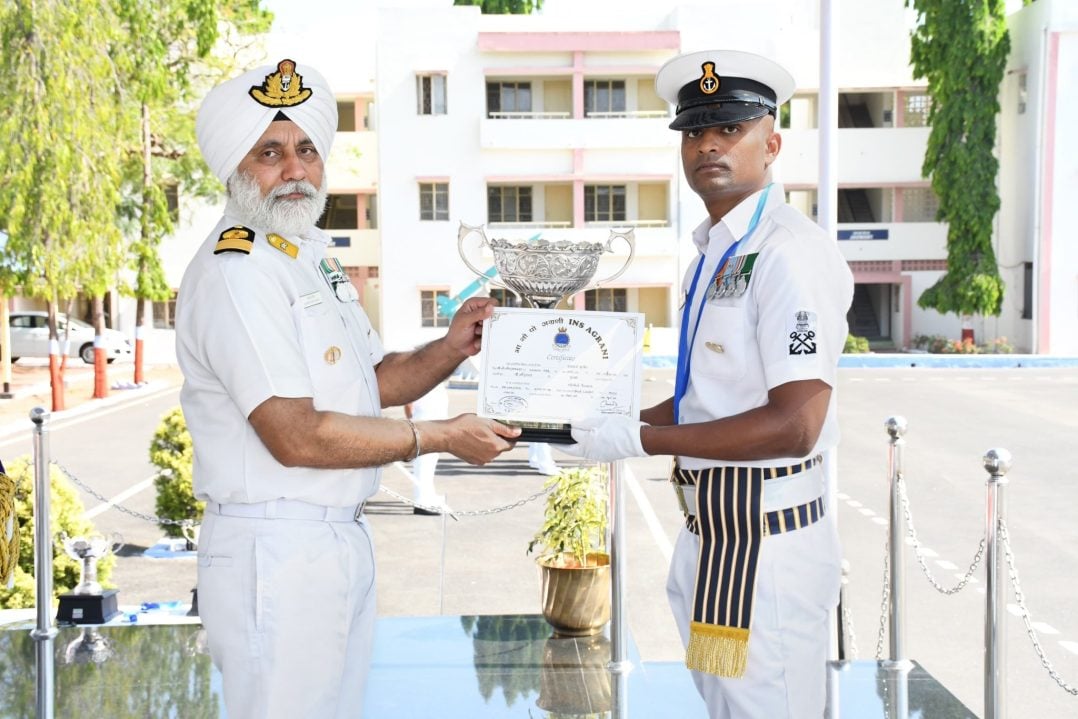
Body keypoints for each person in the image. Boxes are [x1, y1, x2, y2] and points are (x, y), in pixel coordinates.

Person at [175, 58, 520, 719]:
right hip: (276, 551)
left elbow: (368, 383)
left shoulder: (304, 257)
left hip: (330, 545)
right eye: (270, 152)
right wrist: (438, 437)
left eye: (306, 148)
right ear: (234, 166)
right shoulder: (238, 270)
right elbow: (295, 433)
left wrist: (452, 347)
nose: (296, 168)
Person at [564, 49, 854, 718]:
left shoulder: (788, 252)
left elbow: (797, 423)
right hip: (712, 534)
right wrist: (600, 423)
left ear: (771, 143)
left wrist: (642, 439)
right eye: (695, 131)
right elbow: (701, 396)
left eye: (731, 129)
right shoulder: (716, 254)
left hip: (766, 543)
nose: (709, 145)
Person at [404, 380, 449, 515]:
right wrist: (411, 416)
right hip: (425, 422)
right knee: (424, 463)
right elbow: (409, 396)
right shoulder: (419, 367)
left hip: (433, 421)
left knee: (430, 462)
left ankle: (429, 494)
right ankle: (422, 501)